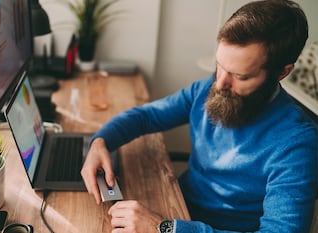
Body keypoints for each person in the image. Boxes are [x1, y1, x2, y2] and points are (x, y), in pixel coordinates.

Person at [80, 0, 318, 232]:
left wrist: (164, 228)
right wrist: (101, 141)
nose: (221, 84)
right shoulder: (208, 88)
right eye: (220, 66)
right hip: (175, 206)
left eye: (241, 77)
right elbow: (148, 116)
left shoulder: (297, 143)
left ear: (281, 72)